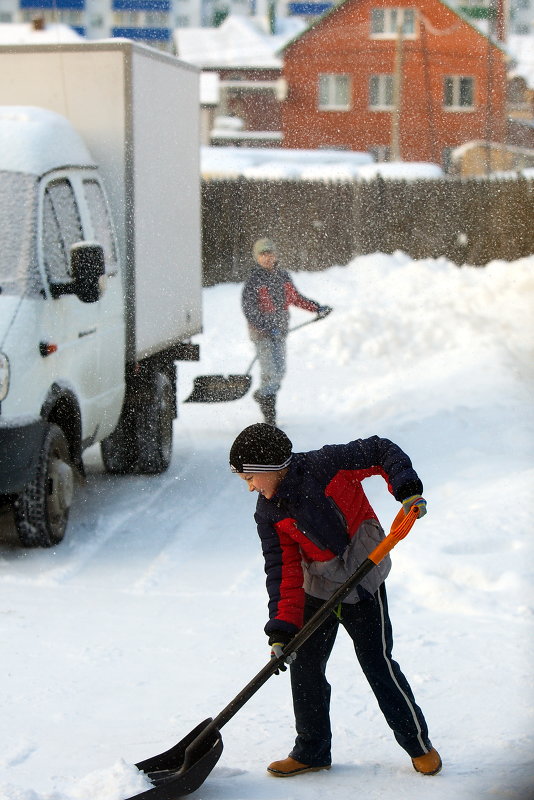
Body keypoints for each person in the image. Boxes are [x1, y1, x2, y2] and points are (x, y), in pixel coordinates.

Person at [229, 423, 442, 779]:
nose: (249, 486)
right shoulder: (269, 512)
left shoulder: (327, 464)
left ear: (270, 469)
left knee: (378, 666)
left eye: (250, 477)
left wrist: (406, 489)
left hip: (363, 580)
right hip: (318, 589)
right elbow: (282, 573)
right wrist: (281, 631)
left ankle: (418, 744)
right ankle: (312, 751)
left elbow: (380, 450)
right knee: (305, 669)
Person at [241, 238, 332, 427]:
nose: (267, 257)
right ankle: (269, 418)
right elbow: (249, 309)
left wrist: (317, 308)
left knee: (280, 371)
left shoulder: (282, 277)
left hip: (280, 332)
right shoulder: (254, 281)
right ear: (256, 257)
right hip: (262, 334)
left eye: (269, 253)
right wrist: (266, 326)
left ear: (275, 254)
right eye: (262, 254)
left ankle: (262, 394)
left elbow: (295, 298)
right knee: (270, 372)